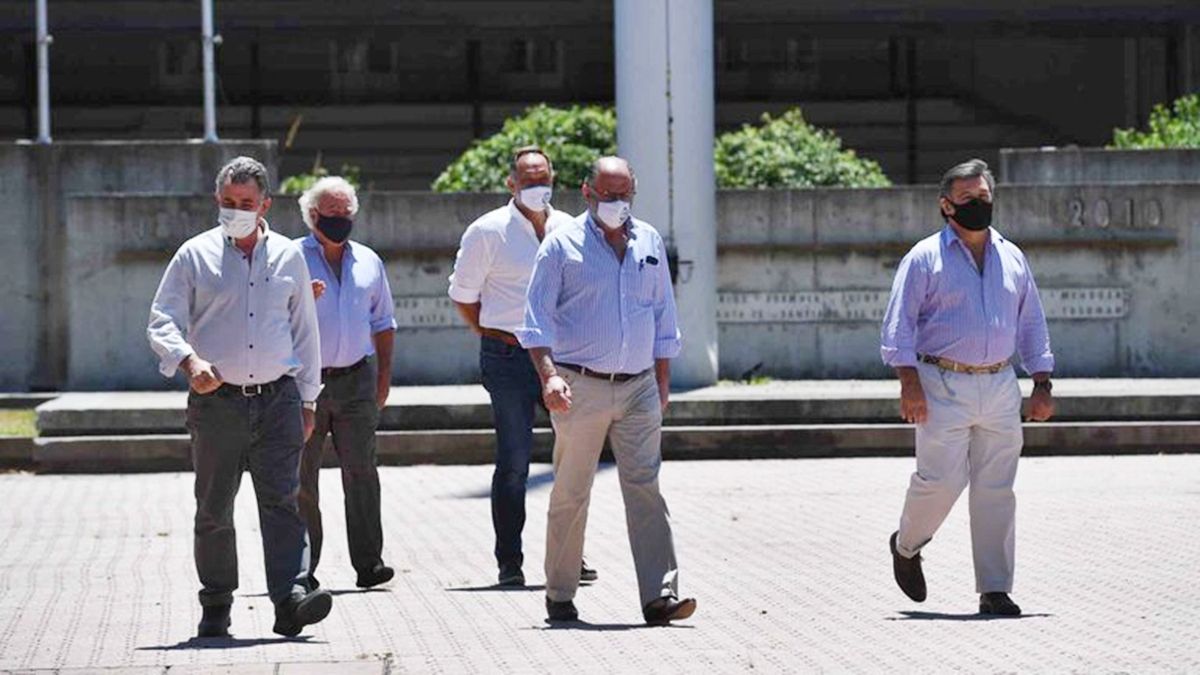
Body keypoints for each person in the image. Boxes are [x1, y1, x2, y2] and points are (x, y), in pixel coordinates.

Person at [147, 156, 331, 638]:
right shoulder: (194, 255)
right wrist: (189, 361)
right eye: (228, 203)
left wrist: (308, 400)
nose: (236, 211)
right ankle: (217, 602)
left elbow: (305, 332)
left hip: (278, 401)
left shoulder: (290, 256)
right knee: (213, 507)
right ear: (217, 200)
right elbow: (161, 319)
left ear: (265, 204)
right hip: (217, 404)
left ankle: (291, 597)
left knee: (284, 501)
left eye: (246, 203)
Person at [517, 156, 695, 625]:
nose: (617, 204)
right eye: (608, 195)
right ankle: (559, 592)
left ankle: (660, 596)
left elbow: (662, 316)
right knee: (572, 493)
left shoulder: (649, 240)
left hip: (639, 387)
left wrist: (661, 383)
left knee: (646, 489)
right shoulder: (561, 245)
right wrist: (550, 377)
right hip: (580, 385)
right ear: (587, 191)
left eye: (624, 195)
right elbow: (535, 322)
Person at [880, 158, 1055, 617]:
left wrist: (1041, 380)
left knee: (997, 488)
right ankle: (906, 545)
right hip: (940, 380)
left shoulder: (1012, 256)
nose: (978, 206)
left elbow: (1031, 321)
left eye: (984, 198)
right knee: (940, 481)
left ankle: (995, 589)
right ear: (946, 206)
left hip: (1000, 382)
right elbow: (898, 325)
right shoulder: (924, 258)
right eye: (967, 200)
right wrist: (908, 383)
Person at [448, 147, 597, 587]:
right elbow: (463, 296)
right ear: (511, 183)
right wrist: (495, 334)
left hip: (562, 358)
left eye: (543, 178)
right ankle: (510, 562)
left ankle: (570, 557)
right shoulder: (487, 231)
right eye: (528, 180)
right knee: (514, 462)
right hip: (508, 357)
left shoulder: (570, 227)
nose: (537, 186)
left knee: (572, 460)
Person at [296, 176, 397, 591]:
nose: (339, 220)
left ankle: (369, 563)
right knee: (302, 478)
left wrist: (385, 379)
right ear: (312, 216)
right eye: (330, 214)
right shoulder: (290, 259)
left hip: (358, 378)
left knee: (362, 472)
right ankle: (301, 568)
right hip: (305, 382)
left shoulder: (369, 261)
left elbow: (384, 322)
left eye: (345, 213)